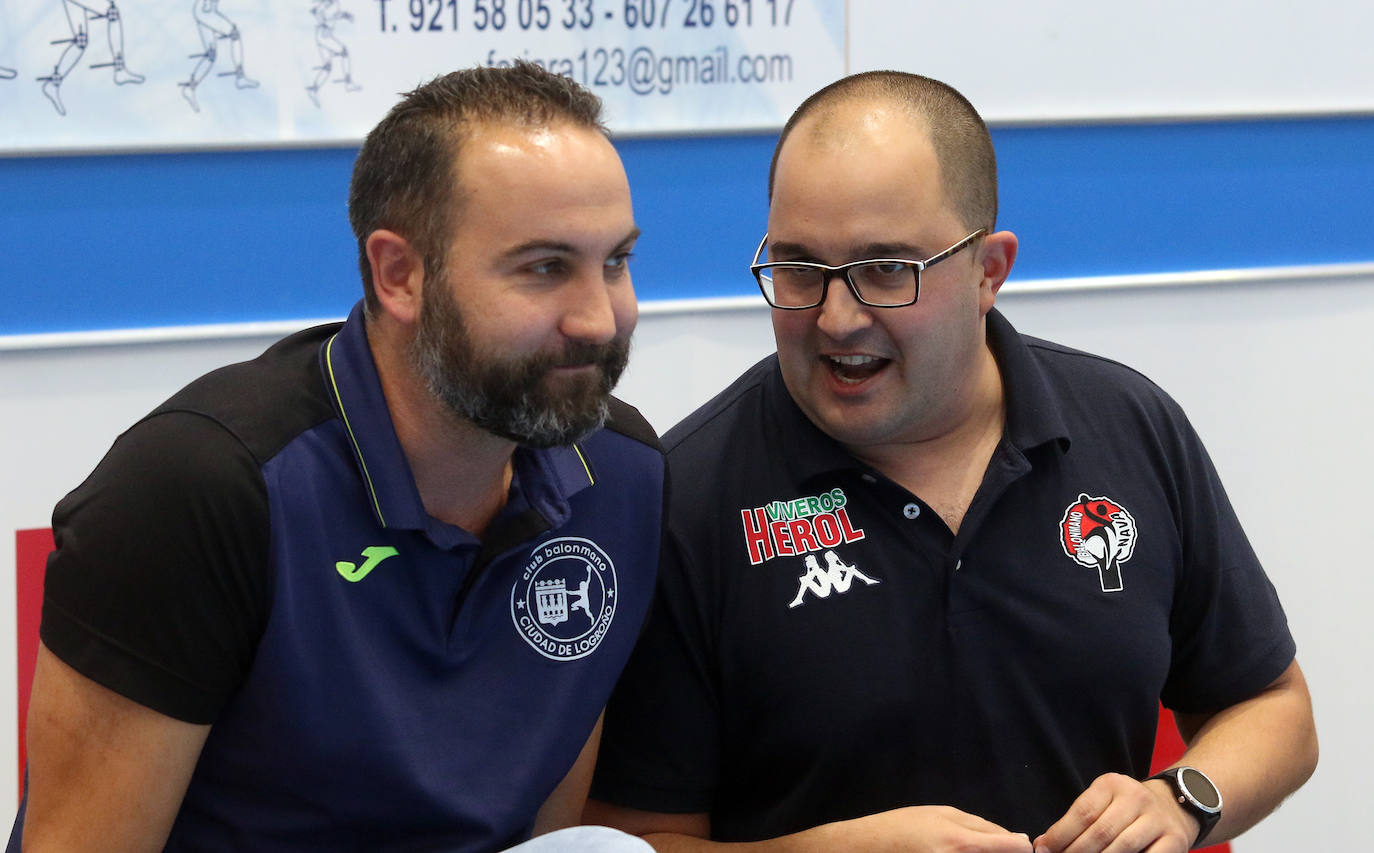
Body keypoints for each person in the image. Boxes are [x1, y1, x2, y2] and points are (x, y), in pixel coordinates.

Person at [585, 71, 1317, 853]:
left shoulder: (1131, 426)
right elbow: (630, 841)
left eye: (885, 270)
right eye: (799, 268)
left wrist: (1183, 801)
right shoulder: (686, 499)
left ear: (987, 272)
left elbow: (1275, 707)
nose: (836, 317)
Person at [12, 62, 662, 853]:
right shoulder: (200, 489)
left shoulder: (622, 474)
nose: (600, 318)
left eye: (617, 262)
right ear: (400, 275)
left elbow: (545, 832)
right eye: (544, 268)